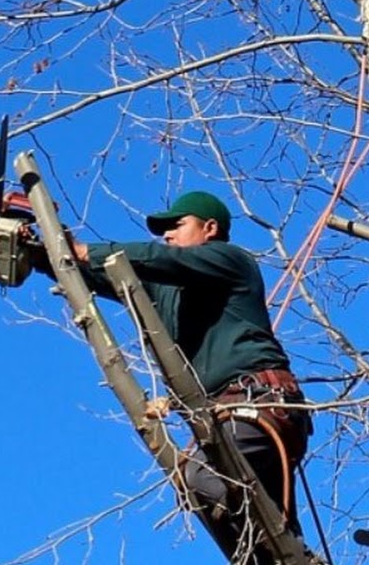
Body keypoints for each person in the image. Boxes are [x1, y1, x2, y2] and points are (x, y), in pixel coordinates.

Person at [62, 190, 312, 532]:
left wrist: (85, 249)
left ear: (209, 228)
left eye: (177, 225)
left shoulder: (229, 260)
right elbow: (107, 274)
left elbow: (158, 259)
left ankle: (279, 547)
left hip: (258, 404)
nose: (167, 235)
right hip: (228, 418)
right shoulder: (167, 289)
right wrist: (50, 253)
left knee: (199, 480)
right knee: (262, 547)